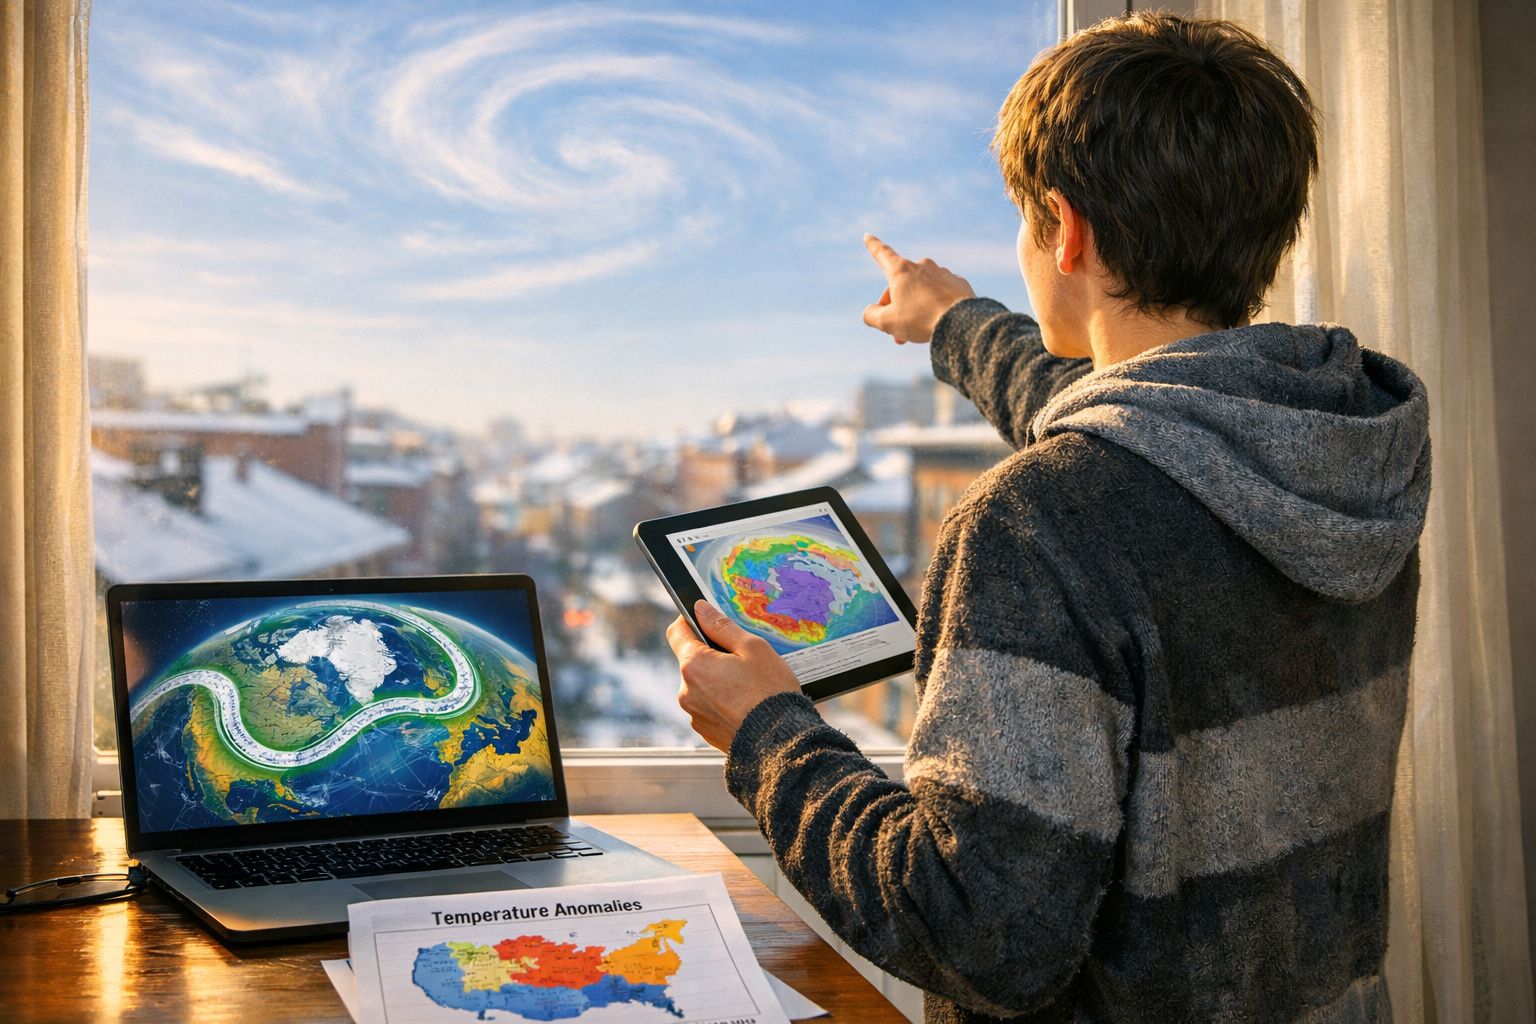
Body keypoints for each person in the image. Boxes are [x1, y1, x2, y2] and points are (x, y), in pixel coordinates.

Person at [663, 12, 1428, 1022]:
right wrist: (950, 318)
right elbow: (1115, 409)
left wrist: (768, 734)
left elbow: (985, 936)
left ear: (1065, 230)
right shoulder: (1340, 444)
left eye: (1027, 221)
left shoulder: (1037, 522)